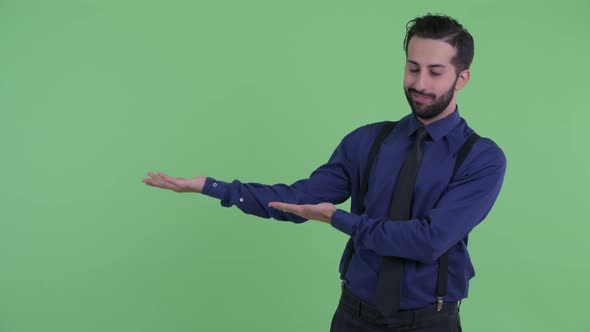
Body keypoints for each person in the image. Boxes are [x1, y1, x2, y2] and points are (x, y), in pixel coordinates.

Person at [142, 13, 506, 332]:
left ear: (462, 78)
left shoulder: (482, 159)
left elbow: (427, 241)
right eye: (413, 68)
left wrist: (340, 220)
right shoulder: (367, 141)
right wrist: (211, 186)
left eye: (435, 71)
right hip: (354, 315)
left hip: (429, 321)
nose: (420, 83)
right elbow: (300, 199)